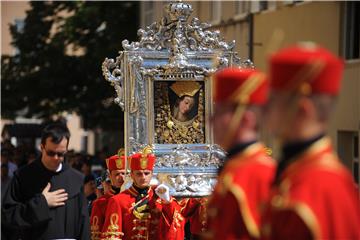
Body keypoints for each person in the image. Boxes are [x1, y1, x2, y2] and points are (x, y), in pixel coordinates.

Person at [261, 43, 360, 239]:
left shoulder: (320, 188)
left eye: (273, 100)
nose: (264, 109)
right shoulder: (297, 174)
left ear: (302, 108)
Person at [204, 67, 276, 239]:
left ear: (245, 118)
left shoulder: (257, 173)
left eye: (219, 112)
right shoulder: (234, 167)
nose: (210, 120)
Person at [1, 122, 90, 240]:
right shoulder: (23, 176)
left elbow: (84, 223)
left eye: (60, 154)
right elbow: (8, 217)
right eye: (51, 153)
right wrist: (42, 204)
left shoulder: (76, 179)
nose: (55, 158)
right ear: (42, 147)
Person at [101, 152, 180, 240]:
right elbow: (112, 235)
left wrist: (167, 201)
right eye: (139, 174)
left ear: (152, 174)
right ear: (131, 175)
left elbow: (175, 224)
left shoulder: (160, 197)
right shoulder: (118, 200)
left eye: (146, 173)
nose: (143, 177)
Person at [90, 154, 126, 240]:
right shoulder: (100, 203)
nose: (121, 177)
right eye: (117, 174)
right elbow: (96, 234)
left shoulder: (133, 198)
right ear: (110, 176)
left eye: (124, 173)